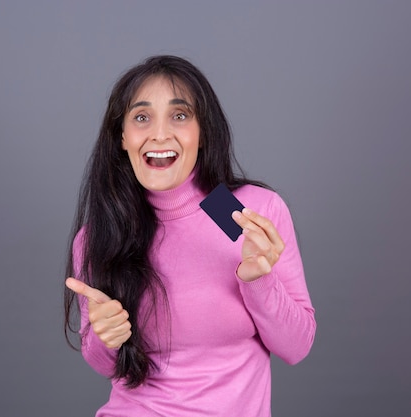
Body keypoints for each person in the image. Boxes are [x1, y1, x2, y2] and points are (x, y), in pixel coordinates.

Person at [64, 55, 316, 417]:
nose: (160, 134)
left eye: (179, 116)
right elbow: (106, 365)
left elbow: (296, 346)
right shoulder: (106, 231)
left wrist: (259, 278)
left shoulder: (234, 212)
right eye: (141, 117)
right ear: (122, 137)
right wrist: (106, 337)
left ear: (202, 133)